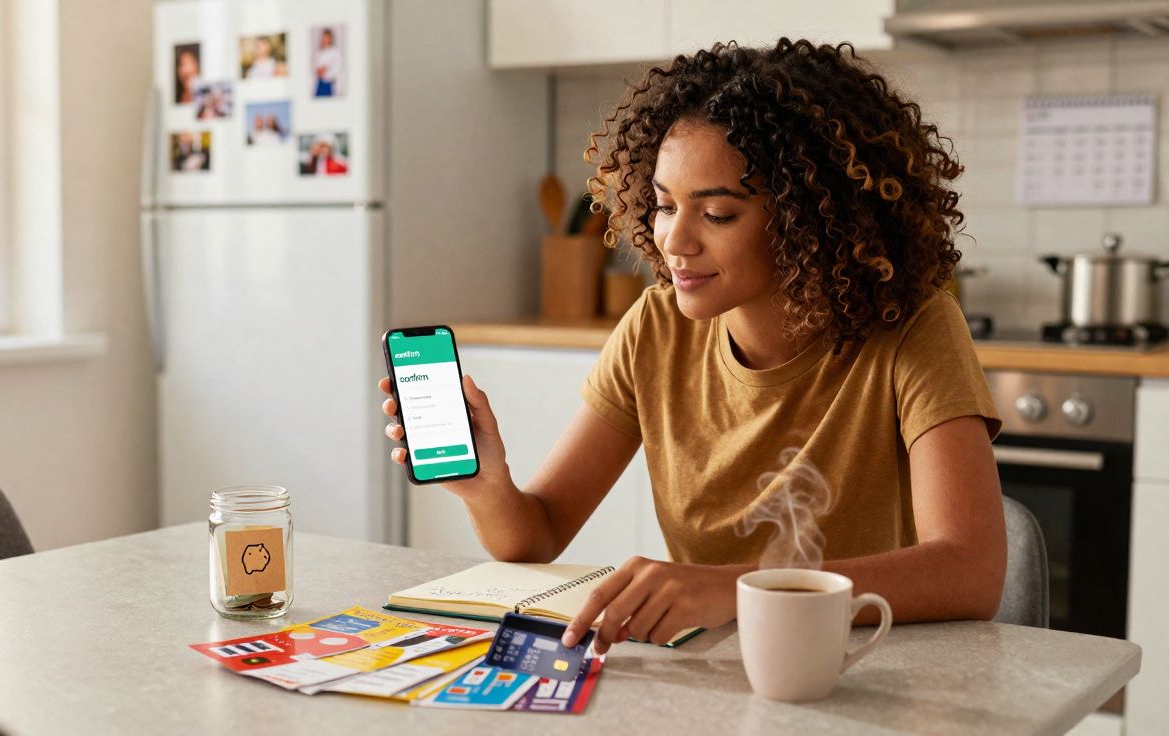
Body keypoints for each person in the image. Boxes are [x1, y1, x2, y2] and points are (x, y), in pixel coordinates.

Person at [378, 39, 1006, 653]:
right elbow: (534, 536)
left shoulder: (913, 329)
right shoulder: (656, 330)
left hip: (868, 670)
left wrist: (735, 590)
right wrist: (488, 486)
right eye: (662, 205)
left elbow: (970, 572)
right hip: (712, 673)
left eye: (718, 214)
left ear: (809, 218)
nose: (675, 241)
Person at [312, 28, 342, 97]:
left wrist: (326, 70)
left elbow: (336, 68)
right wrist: (318, 70)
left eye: (327, 37)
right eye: (324, 37)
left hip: (329, 83)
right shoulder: (319, 52)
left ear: (330, 38)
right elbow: (315, 66)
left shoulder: (335, 52)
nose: (325, 39)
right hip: (319, 83)